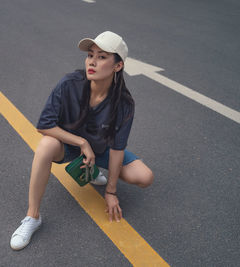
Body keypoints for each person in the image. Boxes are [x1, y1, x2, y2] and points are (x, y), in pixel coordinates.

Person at [10, 31, 154, 251]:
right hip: (69, 146)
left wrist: (111, 192)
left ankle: (92, 168)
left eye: (102, 57)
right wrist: (81, 143)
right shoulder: (70, 83)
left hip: (102, 149)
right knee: (46, 145)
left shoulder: (124, 103)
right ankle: (32, 217)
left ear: (117, 66)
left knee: (145, 177)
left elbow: (117, 148)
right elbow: (44, 125)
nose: (92, 62)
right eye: (90, 55)